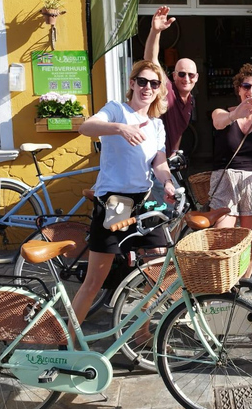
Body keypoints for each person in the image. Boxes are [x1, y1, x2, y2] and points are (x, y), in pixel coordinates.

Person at [71, 60, 176, 335]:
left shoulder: (156, 125)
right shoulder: (117, 110)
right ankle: (68, 342)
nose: (148, 88)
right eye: (142, 81)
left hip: (142, 203)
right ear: (132, 83)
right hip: (115, 204)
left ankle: (139, 332)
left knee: (157, 269)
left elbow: (160, 163)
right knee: (95, 280)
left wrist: (167, 183)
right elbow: (86, 127)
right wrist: (120, 128)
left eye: (154, 84)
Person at [211, 64, 252, 276]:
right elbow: (218, 123)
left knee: (251, 241)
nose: (251, 91)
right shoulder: (222, 113)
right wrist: (236, 114)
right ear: (238, 89)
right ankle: (220, 287)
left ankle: (243, 287)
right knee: (222, 241)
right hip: (226, 180)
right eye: (246, 86)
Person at [145, 5, 198, 156]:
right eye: (181, 74)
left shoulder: (190, 101)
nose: (186, 79)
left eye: (190, 75)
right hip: (152, 159)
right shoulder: (167, 88)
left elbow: (179, 129)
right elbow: (150, 60)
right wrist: (155, 31)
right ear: (174, 76)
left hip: (167, 159)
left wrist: (175, 152)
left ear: (196, 78)